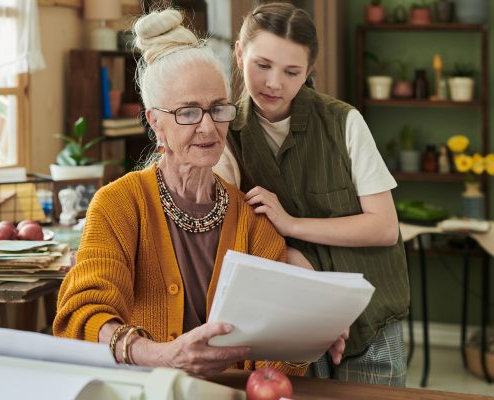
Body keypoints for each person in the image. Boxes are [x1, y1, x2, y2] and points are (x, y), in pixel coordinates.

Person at [52, 9, 346, 379]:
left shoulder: (253, 219)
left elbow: (272, 363)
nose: (208, 127)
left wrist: (305, 334)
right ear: (155, 122)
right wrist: (160, 355)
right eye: (188, 112)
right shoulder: (118, 205)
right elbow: (83, 318)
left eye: (217, 109)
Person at [214, 3, 410, 386]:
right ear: (239, 54)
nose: (274, 83)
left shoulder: (343, 122)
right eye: (263, 65)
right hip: (290, 319)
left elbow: (384, 227)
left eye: (292, 72)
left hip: (368, 321)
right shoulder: (225, 137)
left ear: (309, 71)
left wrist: (291, 224)